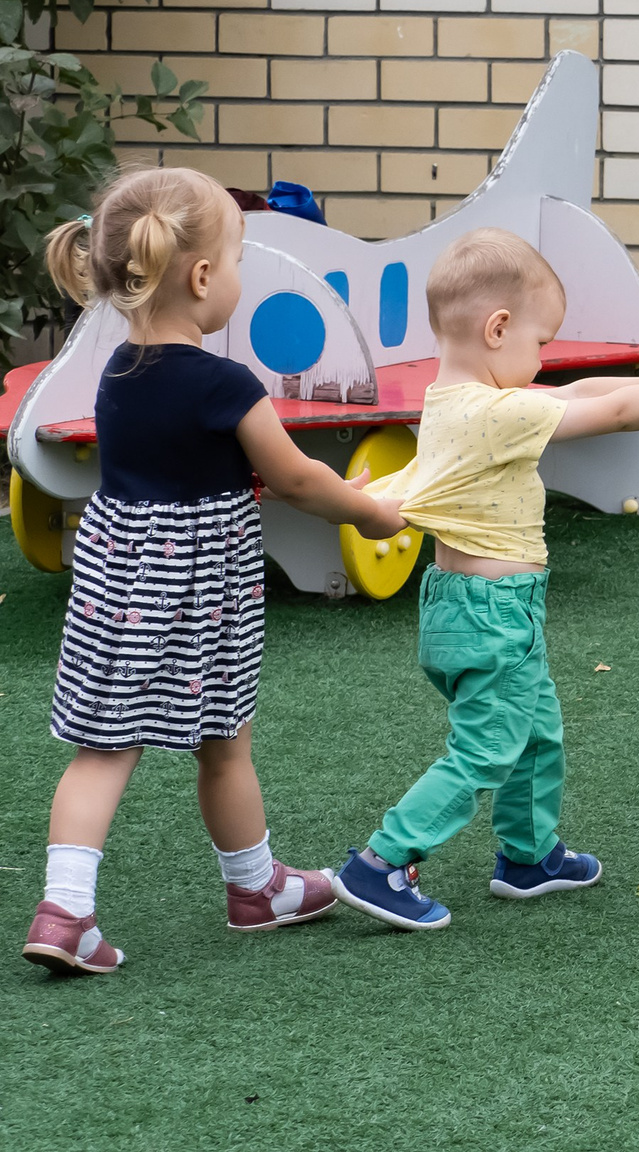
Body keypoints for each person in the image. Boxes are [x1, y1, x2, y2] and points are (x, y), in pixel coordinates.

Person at [22, 170, 407, 976]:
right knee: (224, 741)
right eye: (236, 260)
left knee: (102, 748)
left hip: (116, 587)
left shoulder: (117, 371)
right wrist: (368, 512)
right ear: (202, 277)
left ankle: (66, 910)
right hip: (202, 593)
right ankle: (254, 886)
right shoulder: (224, 384)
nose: (236, 276)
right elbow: (297, 477)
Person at [330, 229, 639, 931]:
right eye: (540, 341)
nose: (543, 359)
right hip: (495, 615)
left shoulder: (451, 402)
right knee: (487, 747)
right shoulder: (500, 414)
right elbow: (612, 413)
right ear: (498, 329)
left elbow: (579, 390)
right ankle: (381, 862)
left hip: (470, 611)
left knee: (534, 732)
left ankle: (529, 856)